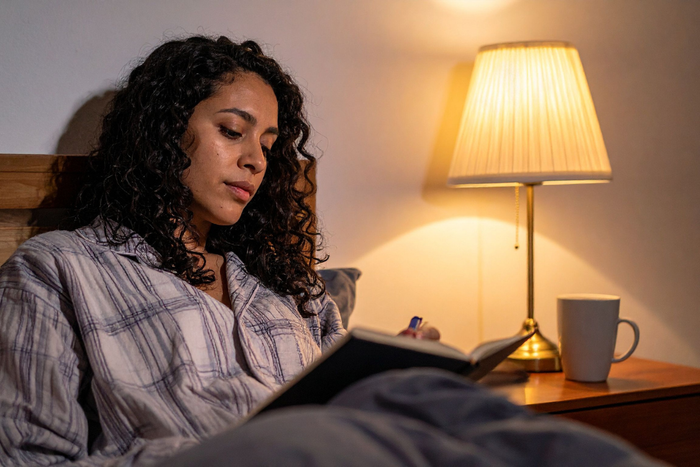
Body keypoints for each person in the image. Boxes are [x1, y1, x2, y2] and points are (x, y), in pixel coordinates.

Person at [0, 35, 661, 467]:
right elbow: (26, 456)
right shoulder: (57, 269)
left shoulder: (279, 284)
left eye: (268, 143)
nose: (254, 160)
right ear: (166, 131)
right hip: (225, 456)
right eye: (232, 131)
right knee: (324, 436)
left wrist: (391, 362)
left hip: (331, 445)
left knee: (460, 408)